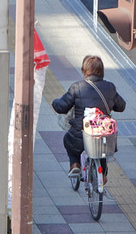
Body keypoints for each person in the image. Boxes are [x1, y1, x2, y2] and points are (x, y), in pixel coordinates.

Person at [52, 55, 126, 183]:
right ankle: (102, 175)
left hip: (81, 132)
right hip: (102, 134)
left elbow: (62, 107)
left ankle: (75, 165)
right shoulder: (110, 87)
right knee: (100, 147)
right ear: (102, 71)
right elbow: (121, 106)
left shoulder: (77, 87)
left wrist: (55, 102)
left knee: (69, 142)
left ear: (84, 71)